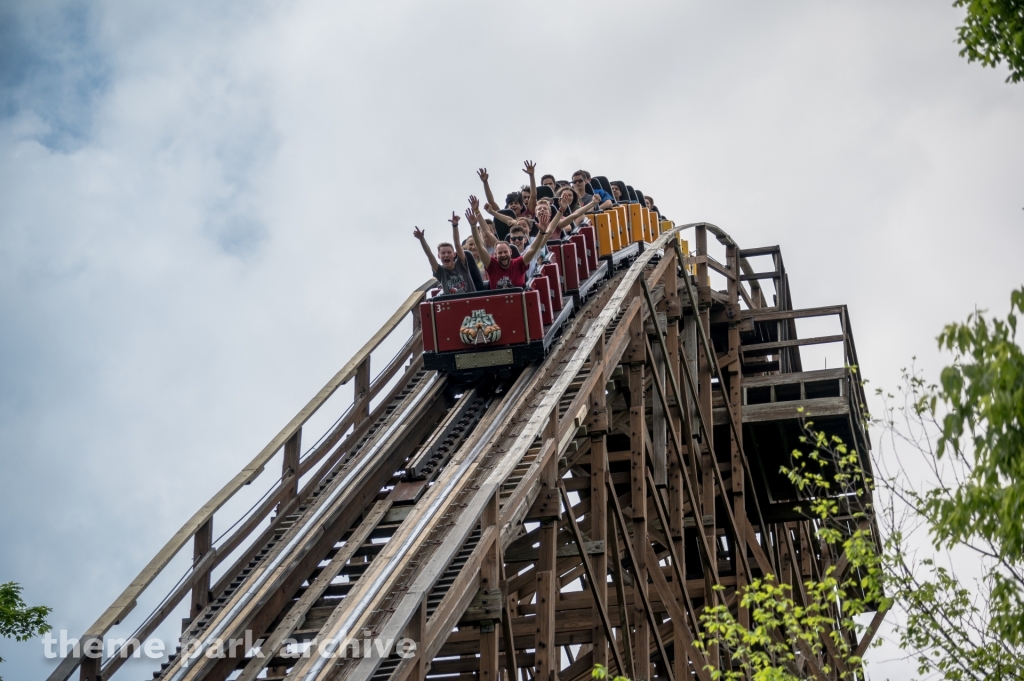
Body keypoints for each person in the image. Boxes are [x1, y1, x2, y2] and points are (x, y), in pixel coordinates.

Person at [469, 195, 590, 290]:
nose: (516, 240)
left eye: (520, 238)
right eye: (513, 239)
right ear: (495, 254)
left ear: (510, 252)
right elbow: (482, 244)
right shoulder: (493, 265)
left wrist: (543, 230)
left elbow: (539, 242)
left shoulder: (519, 263)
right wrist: (476, 218)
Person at [413, 212, 478, 296]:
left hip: (470, 300)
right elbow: (430, 256)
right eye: (443, 253)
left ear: (454, 254)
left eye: (449, 252)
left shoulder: (461, 264)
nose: (446, 255)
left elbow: (457, 244)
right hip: (452, 303)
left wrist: (455, 226)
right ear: (439, 256)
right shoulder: (440, 271)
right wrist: (422, 239)